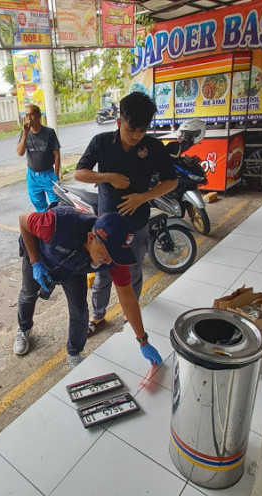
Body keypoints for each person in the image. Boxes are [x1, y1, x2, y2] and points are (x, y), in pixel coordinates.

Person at [75, 91, 178, 335]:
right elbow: (80, 173)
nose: (136, 136)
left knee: (133, 272)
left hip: (136, 224)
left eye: (142, 130)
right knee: (102, 274)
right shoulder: (101, 142)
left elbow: (171, 181)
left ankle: (128, 314)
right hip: (104, 225)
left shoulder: (152, 147)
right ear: (120, 122)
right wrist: (107, 177)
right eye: (131, 129)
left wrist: (143, 197)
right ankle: (97, 316)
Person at [13, 205, 163, 369]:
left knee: (79, 309)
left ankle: (74, 352)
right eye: (105, 256)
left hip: (74, 267)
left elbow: (128, 299)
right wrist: (35, 262)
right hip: (40, 255)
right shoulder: (56, 224)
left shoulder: (113, 259)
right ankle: (24, 329)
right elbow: (23, 220)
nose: (108, 263)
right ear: (91, 239)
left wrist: (143, 340)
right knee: (28, 294)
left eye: (113, 258)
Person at [15, 104, 61, 212]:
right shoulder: (24, 133)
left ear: (39, 116)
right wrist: (25, 134)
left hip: (48, 175)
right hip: (32, 176)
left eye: (31, 114)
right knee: (40, 208)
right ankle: (44, 227)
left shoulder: (49, 132)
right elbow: (20, 153)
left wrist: (56, 174)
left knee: (56, 205)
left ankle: (57, 226)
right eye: (26, 115)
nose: (29, 118)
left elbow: (57, 155)